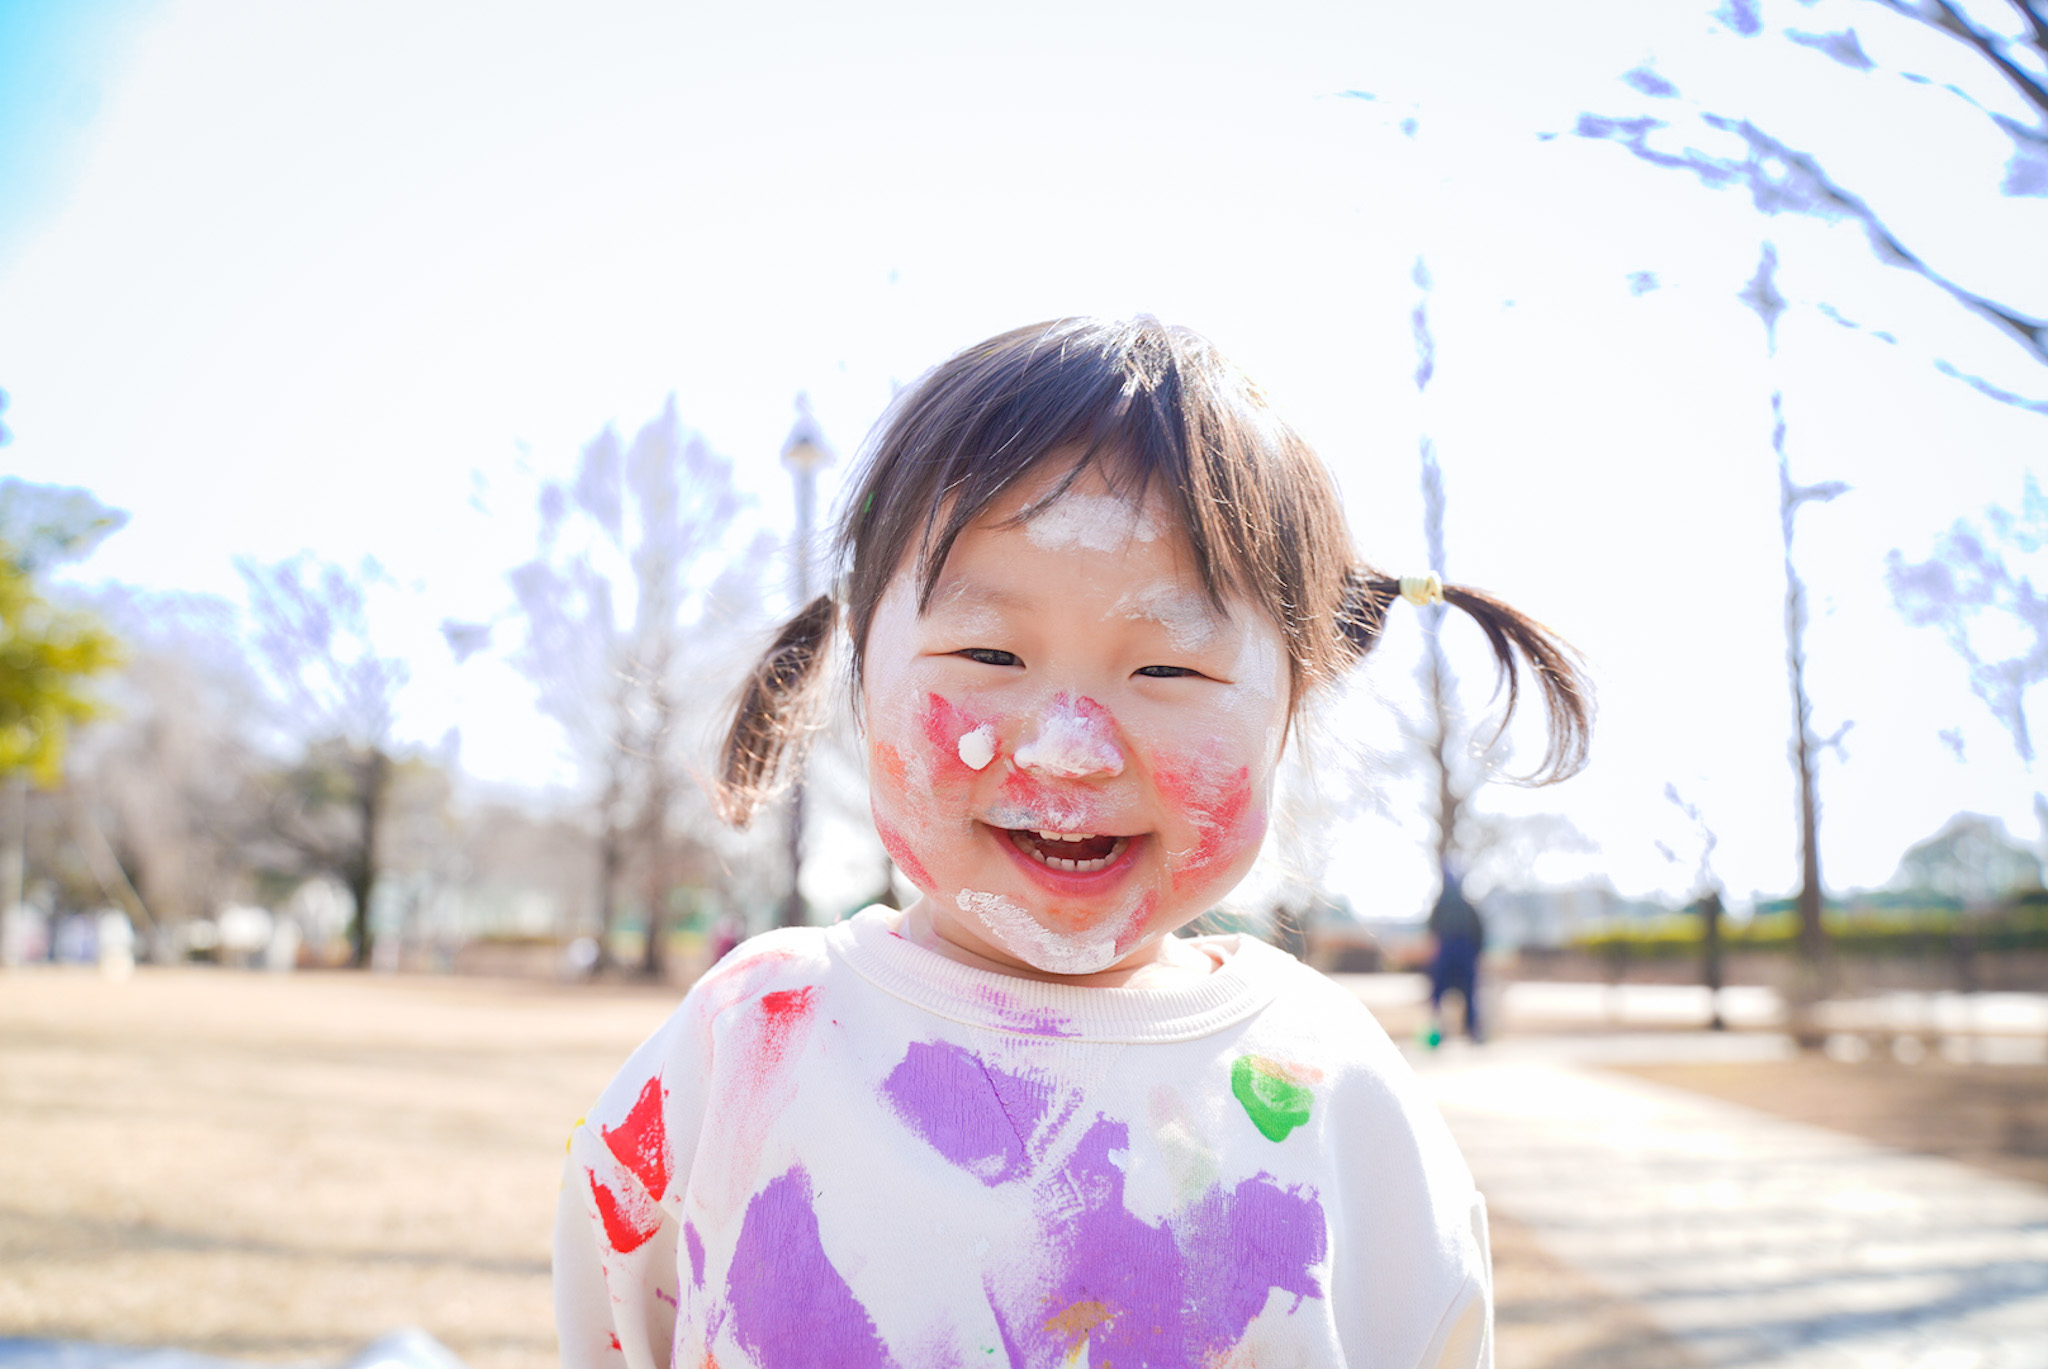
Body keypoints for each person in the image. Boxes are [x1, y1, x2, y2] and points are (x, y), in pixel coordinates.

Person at [553, 317, 1591, 1369]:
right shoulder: (745, 1048)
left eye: (1167, 670)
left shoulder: (1341, 1097)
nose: (1068, 749)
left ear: (1290, 710)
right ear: (861, 674)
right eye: (987, 650)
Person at [1426, 862, 1486, 1046]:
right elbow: (1479, 933)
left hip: (1450, 952)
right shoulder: (1466, 907)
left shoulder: (1441, 907)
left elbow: (1431, 933)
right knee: (1466, 994)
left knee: (1441, 994)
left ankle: (1441, 1031)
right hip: (1462, 952)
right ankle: (1471, 1032)